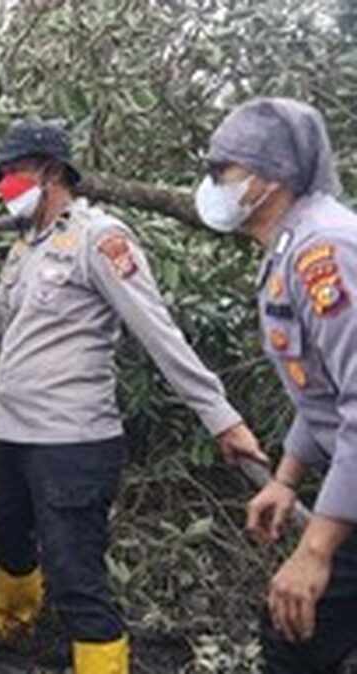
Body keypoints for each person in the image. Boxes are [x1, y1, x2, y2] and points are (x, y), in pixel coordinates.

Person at [0, 120, 266, 673]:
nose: (4, 187)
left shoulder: (99, 237)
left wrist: (221, 417)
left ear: (50, 171)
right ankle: (13, 625)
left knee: (74, 574)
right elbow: (5, 330)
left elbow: (158, 331)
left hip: (73, 440)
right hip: (15, 432)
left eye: (13, 173)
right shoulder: (25, 247)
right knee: (9, 539)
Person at [195, 97, 357, 674]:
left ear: (270, 179)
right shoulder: (293, 248)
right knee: (295, 636)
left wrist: (315, 551)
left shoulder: (325, 252)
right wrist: (286, 479)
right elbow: (323, 393)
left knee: (296, 631)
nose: (211, 185)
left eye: (223, 172)